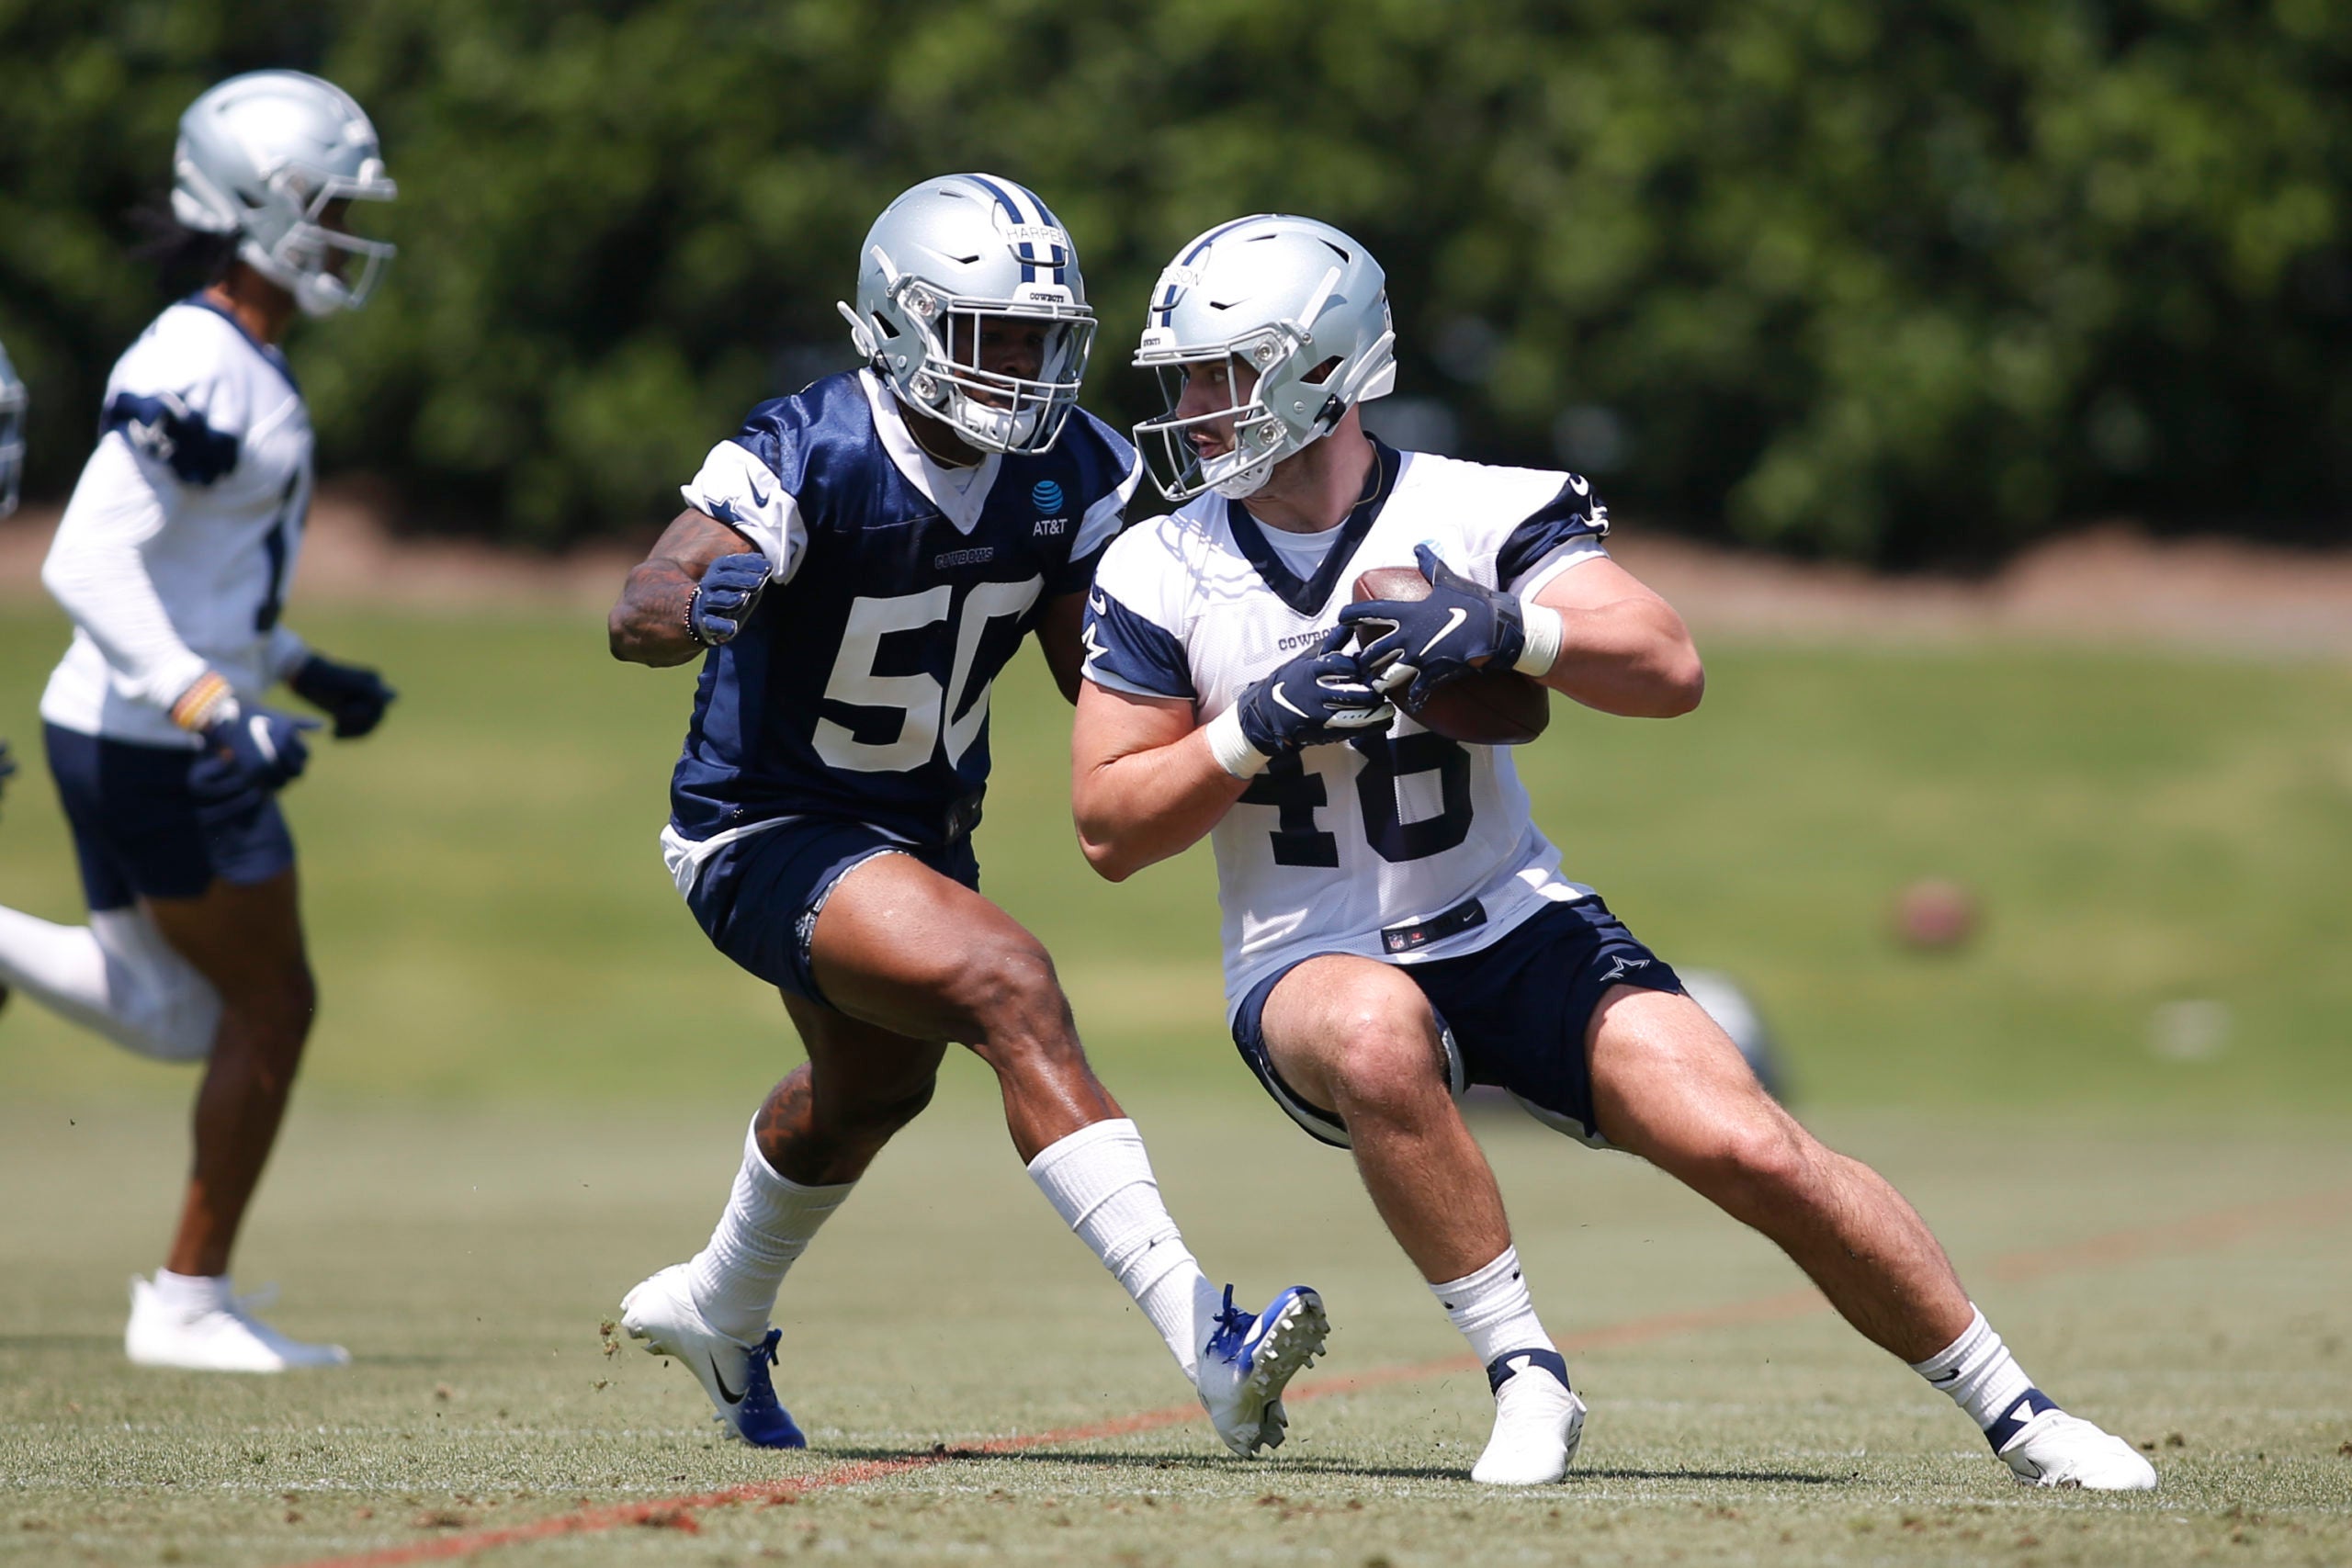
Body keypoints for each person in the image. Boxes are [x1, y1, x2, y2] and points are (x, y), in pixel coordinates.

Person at [1068, 213, 2157, 1491]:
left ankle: (2020, 1413)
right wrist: (1253, 728)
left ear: (1327, 367)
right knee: (1372, 1029)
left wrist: (1511, 629)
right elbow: (1109, 826)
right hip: (1309, 952)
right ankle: (1526, 1377)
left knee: (1751, 1144)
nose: (1195, 408)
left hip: (1510, 917)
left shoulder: (1482, 509)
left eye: (1224, 372)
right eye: (1185, 377)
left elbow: (1668, 666)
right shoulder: (1159, 565)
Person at [605, 175, 1326, 1454]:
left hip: (916, 837)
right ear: (897, 325)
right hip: (762, 828)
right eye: (989, 338)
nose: (1022, 375)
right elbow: (651, 590)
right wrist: (694, 602)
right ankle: (1205, 1336)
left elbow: (1101, 675)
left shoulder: (1071, 465)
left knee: (866, 1096)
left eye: (1042, 343)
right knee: (1009, 984)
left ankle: (715, 1308)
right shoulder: (807, 450)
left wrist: (1264, 710)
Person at [0, 72, 401, 1371]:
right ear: (256, 205)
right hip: (157, 742)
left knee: (179, 1015)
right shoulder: (194, 360)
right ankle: (184, 1301)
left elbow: (195, 580)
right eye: (328, 205)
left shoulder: (235, 354)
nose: (347, 230)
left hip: (124, 725)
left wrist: (295, 663)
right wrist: (214, 703)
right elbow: (85, 562)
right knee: (270, 1007)